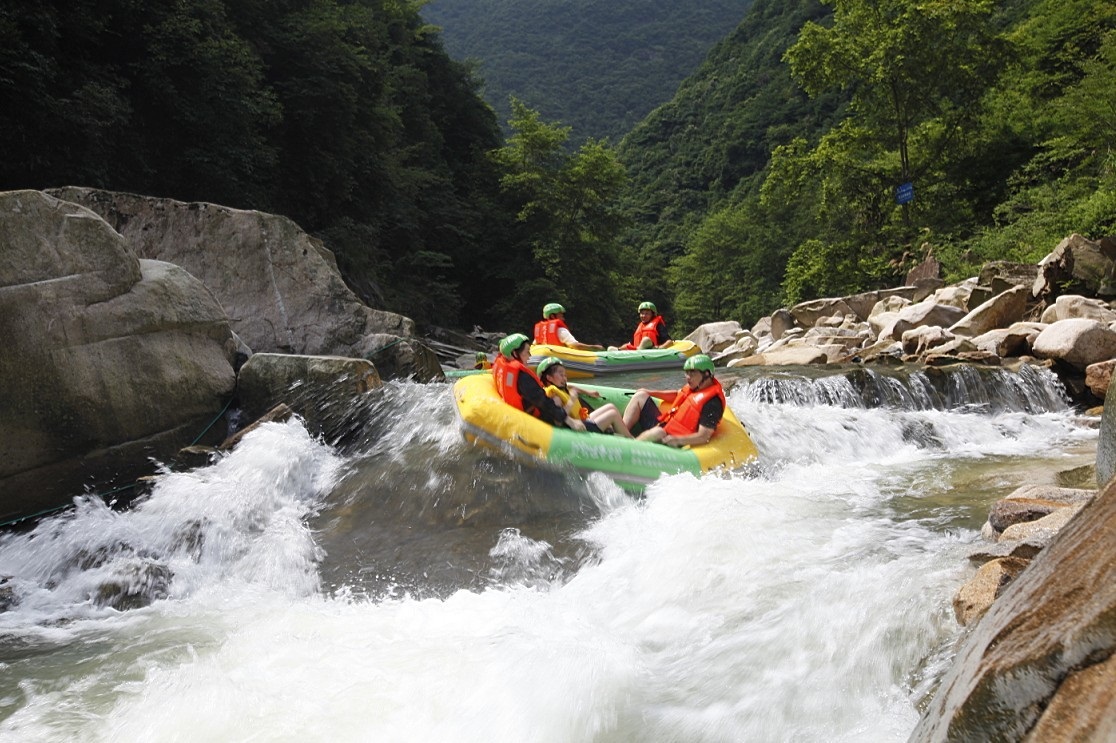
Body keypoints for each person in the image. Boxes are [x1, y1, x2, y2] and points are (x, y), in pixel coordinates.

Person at [622, 354, 725, 448]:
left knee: (658, 432)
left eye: (692, 373)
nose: (688, 377)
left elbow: (704, 436)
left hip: (674, 438)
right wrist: (651, 392)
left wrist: (677, 440)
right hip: (665, 426)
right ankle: (622, 433)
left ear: (706, 374)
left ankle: (630, 447)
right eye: (687, 373)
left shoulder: (713, 403)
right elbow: (678, 395)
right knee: (640, 396)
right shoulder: (695, 387)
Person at [494, 333, 585, 431]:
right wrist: (569, 420)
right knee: (556, 399)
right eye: (527, 352)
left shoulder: (503, 366)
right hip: (533, 418)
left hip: (519, 413)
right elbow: (542, 402)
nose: (530, 355)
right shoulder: (523, 377)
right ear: (515, 353)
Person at [536, 357, 633, 438]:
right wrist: (572, 400)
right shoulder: (554, 397)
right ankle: (632, 441)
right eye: (561, 375)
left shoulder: (561, 389)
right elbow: (558, 421)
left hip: (582, 421)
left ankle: (625, 435)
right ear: (549, 378)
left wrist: (589, 392)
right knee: (612, 414)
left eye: (565, 375)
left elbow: (572, 387)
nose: (564, 378)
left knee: (610, 407)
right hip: (576, 429)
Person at [533, 303, 604, 351]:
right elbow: (576, 346)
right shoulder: (561, 330)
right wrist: (594, 347)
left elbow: (534, 345)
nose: (563, 317)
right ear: (552, 316)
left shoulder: (540, 332)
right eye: (561, 314)